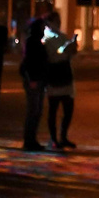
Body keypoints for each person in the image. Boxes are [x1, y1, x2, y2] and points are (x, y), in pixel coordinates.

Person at [42, 11, 77, 150]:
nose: (58, 24)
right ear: (49, 23)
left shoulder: (62, 36)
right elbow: (52, 56)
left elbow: (70, 54)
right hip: (54, 75)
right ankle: (54, 138)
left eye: (59, 21)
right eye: (56, 21)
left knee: (68, 109)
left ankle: (63, 137)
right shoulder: (46, 39)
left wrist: (72, 47)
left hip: (66, 74)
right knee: (53, 109)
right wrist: (64, 49)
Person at [18, 12, 48, 150]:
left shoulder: (35, 42)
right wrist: (31, 79)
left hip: (38, 79)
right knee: (33, 111)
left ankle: (32, 139)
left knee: (37, 111)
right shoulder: (33, 42)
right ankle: (29, 140)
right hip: (34, 80)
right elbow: (29, 63)